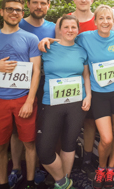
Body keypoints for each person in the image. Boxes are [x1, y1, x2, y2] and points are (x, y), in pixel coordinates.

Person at [39, 5, 114, 189]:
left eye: (109, 18)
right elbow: (66, 38)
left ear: (113, 21)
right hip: (99, 93)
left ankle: (110, 169)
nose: (105, 21)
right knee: (106, 137)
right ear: (95, 22)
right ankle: (100, 168)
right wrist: (48, 39)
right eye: (101, 18)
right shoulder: (84, 37)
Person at [0, 0, 55, 187]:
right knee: (1, 144)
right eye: (10, 9)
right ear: (2, 12)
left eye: (17, 10)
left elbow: (36, 70)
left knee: (30, 140)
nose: (14, 12)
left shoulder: (34, 37)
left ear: (22, 12)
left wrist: (29, 100)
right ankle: (8, 178)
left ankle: (30, 179)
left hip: (27, 95)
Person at [36, 14, 91, 189]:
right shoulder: (46, 47)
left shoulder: (82, 50)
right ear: (59, 30)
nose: (69, 30)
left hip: (76, 103)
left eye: (73, 27)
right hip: (51, 103)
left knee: (69, 145)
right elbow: (32, 69)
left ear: (78, 30)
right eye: (65, 27)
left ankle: (63, 184)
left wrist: (88, 95)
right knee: (44, 151)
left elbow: (86, 75)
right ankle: (64, 182)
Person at [62, 0, 98, 178]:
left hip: (94, 80)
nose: (83, 0)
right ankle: (67, 158)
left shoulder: (99, 19)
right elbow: (57, 44)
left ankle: (87, 159)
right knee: (67, 121)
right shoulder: (66, 20)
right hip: (70, 80)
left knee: (90, 121)